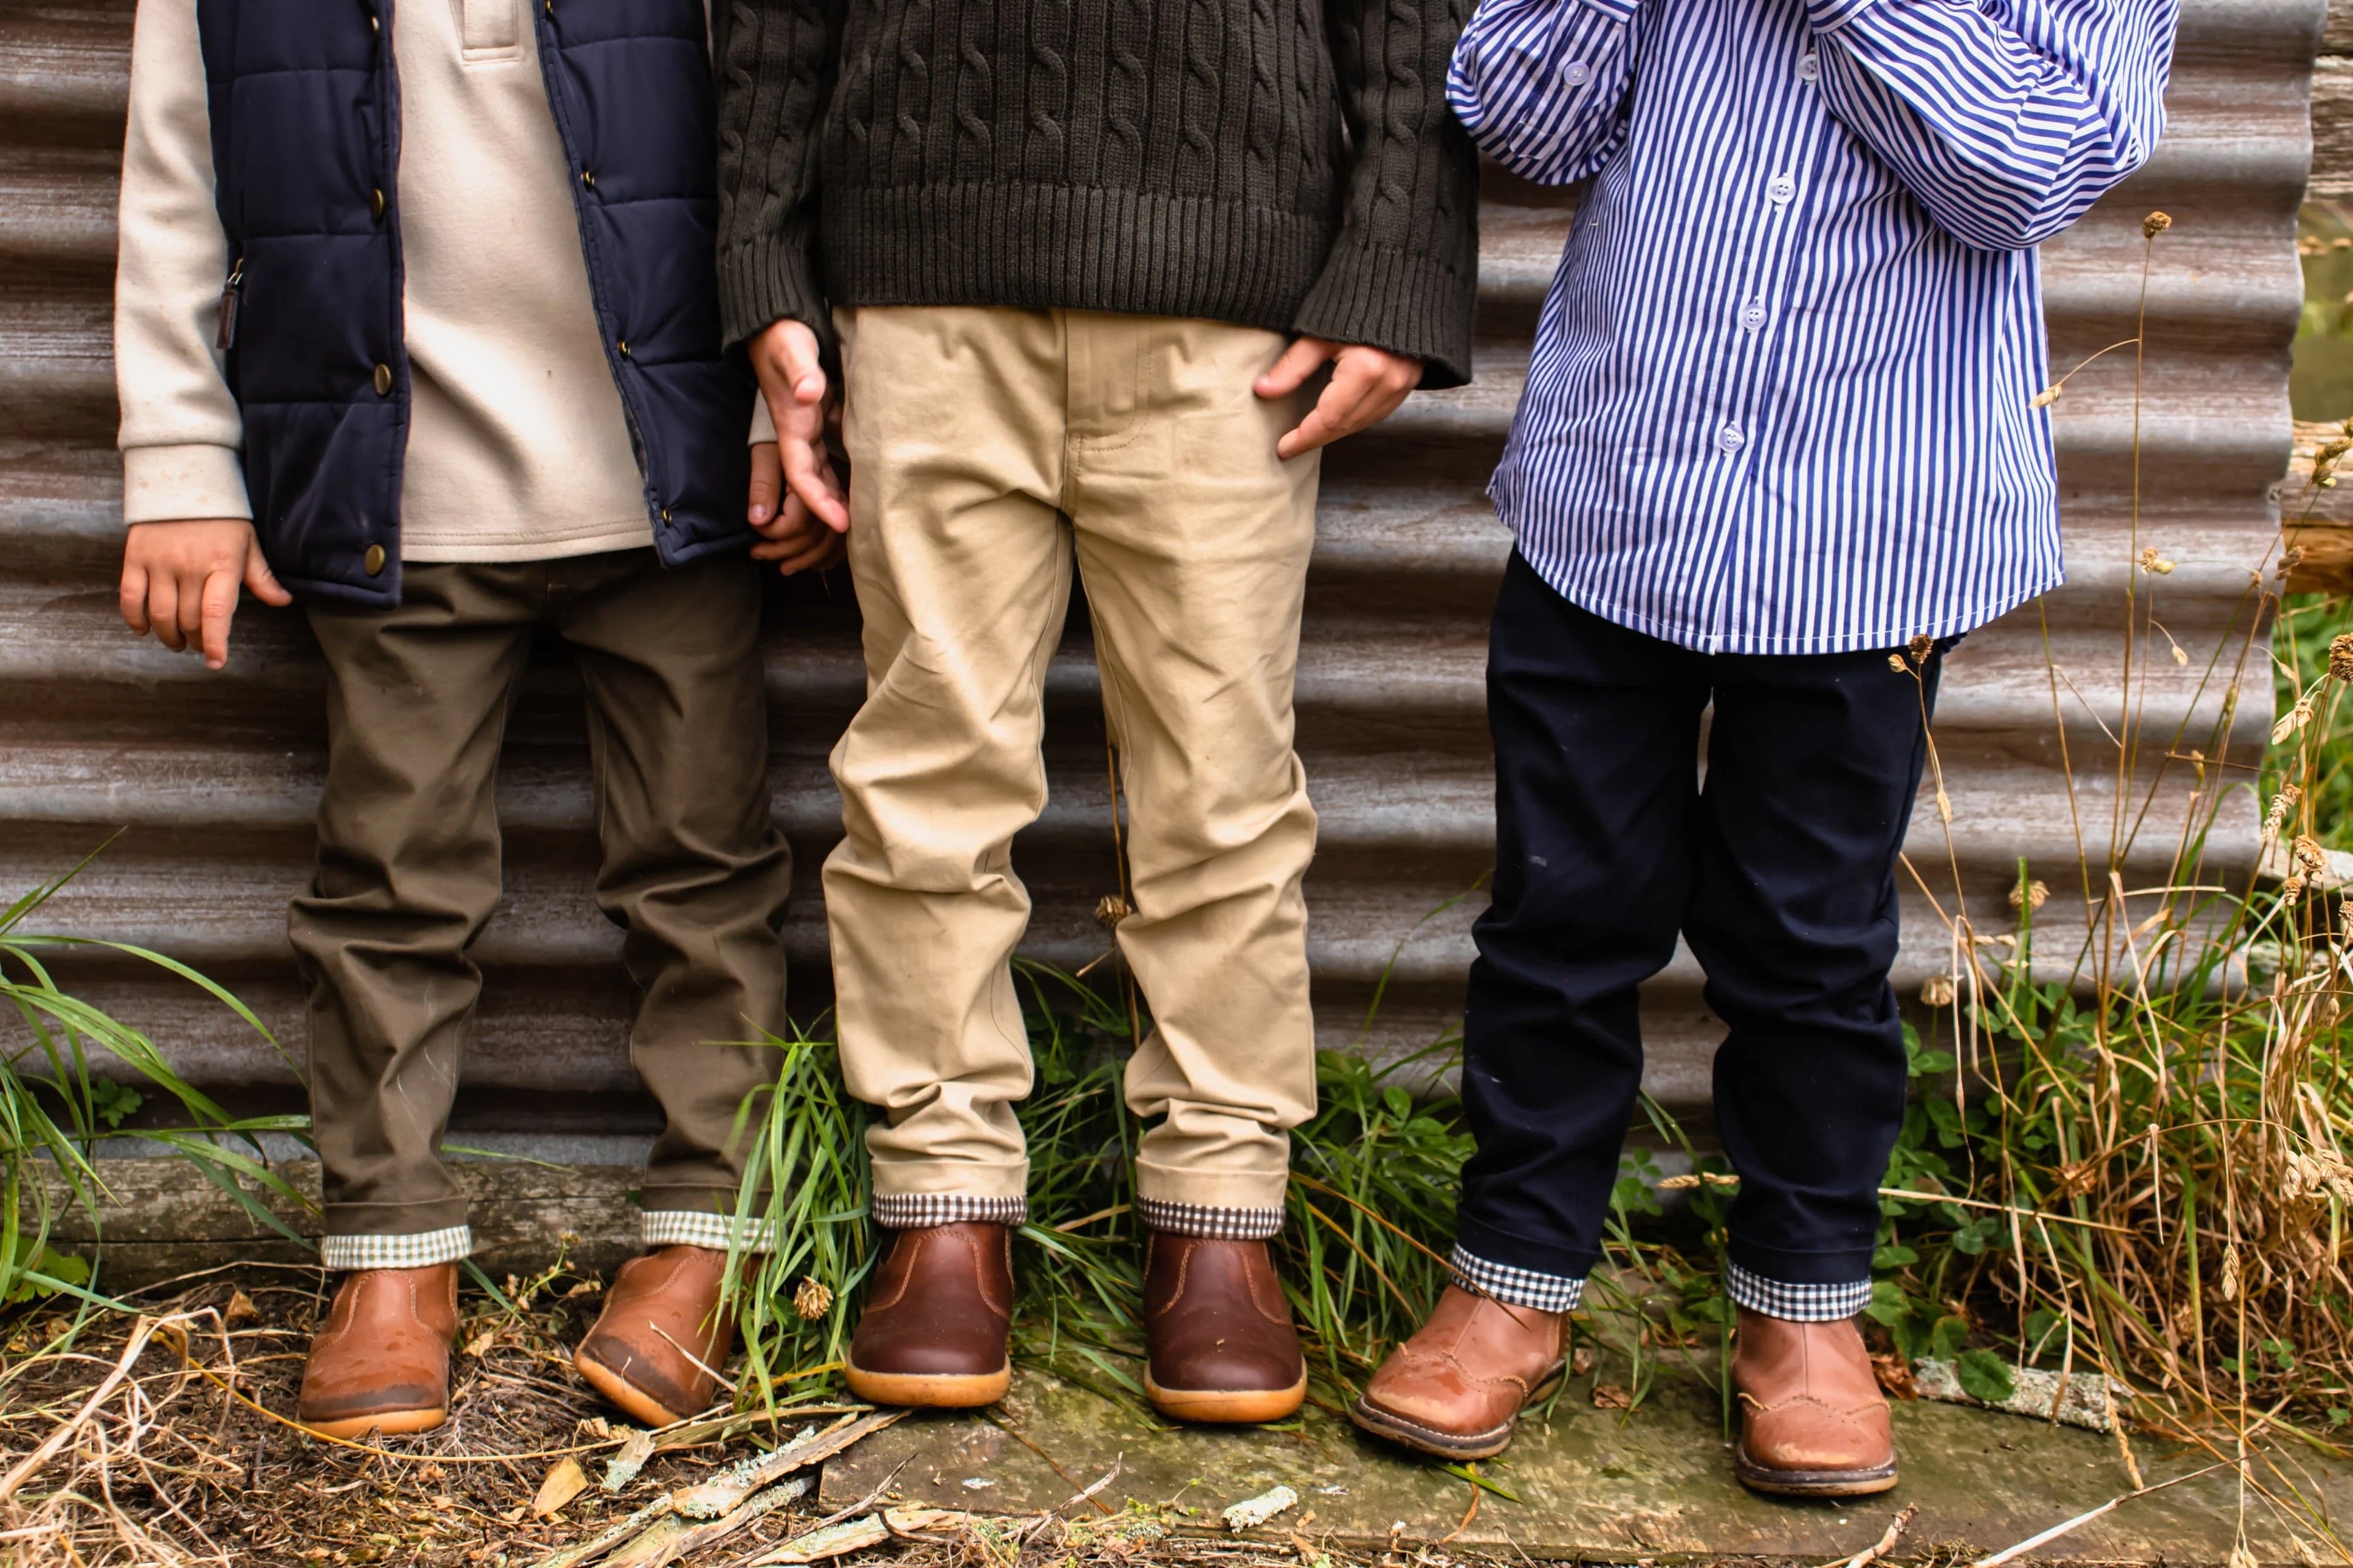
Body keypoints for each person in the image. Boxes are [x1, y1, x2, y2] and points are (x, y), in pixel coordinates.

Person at [1348, 0, 2180, 1493]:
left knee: (1809, 940)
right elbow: (1522, 123)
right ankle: (1511, 1281)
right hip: (1617, 478)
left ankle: (1804, 1313)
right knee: (1560, 910)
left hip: (1874, 520)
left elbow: (2024, 174)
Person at [713, 0, 1479, 1421]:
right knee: (925, 773)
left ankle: (1220, 1212)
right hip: (922, 277)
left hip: (1232, 297)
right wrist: (761, 255)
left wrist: (1391, 256)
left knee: (1219, 781)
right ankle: (938, 1198)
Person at [113, 0, 840, 1440]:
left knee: (702, 870)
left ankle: (711, 1233)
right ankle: (388, 1256)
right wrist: (181, 456)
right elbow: (174, 180)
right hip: (396, 485)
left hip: (673, 469)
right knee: (391, 883)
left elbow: (777, 134)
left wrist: (783, 409)